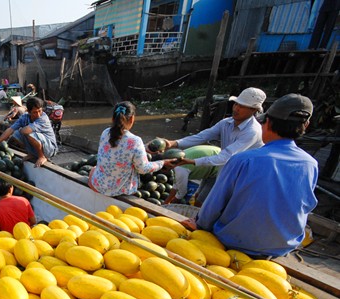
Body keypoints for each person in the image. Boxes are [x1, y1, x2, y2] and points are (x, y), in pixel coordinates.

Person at [182, 94, 317, 257]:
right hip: (281, 247)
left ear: (267, 123)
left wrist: (200, 225)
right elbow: (305, 205)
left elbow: (214, 205)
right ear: (306, 125)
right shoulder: (311, 164)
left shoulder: (243, 160)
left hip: (235, 243)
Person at [163, 87, 266, 188]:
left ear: (253, 110)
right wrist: (173, 143)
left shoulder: (252, 131)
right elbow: (202, 136)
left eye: (242, 106)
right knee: (203, 200)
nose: (236, 109)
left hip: (242, 177)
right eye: (236, 104)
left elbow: (225, 156)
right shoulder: (226, 123)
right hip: (224, 169)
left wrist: (192, 161)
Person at [88, 102, 175, 196]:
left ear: (113, 118)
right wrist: (162, 163)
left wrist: (144, 148)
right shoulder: (135, 141)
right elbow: (142, 169)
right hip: (119, 190)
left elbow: (117, 149)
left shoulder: (105, 132)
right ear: (132, 119)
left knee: (94, 169)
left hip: (98, 185)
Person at [0, 97, 58, 168]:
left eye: (40, 111)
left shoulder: (43, 118)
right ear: (28, 112)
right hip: (38, 146)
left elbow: (26, 131)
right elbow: (10, 130)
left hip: (50, 148)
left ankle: (41, 156)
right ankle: (32, 153)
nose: (38, 114)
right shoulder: (24, 117)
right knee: (15, 134)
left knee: (28, 133)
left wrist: (21, 130)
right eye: (35, 112)